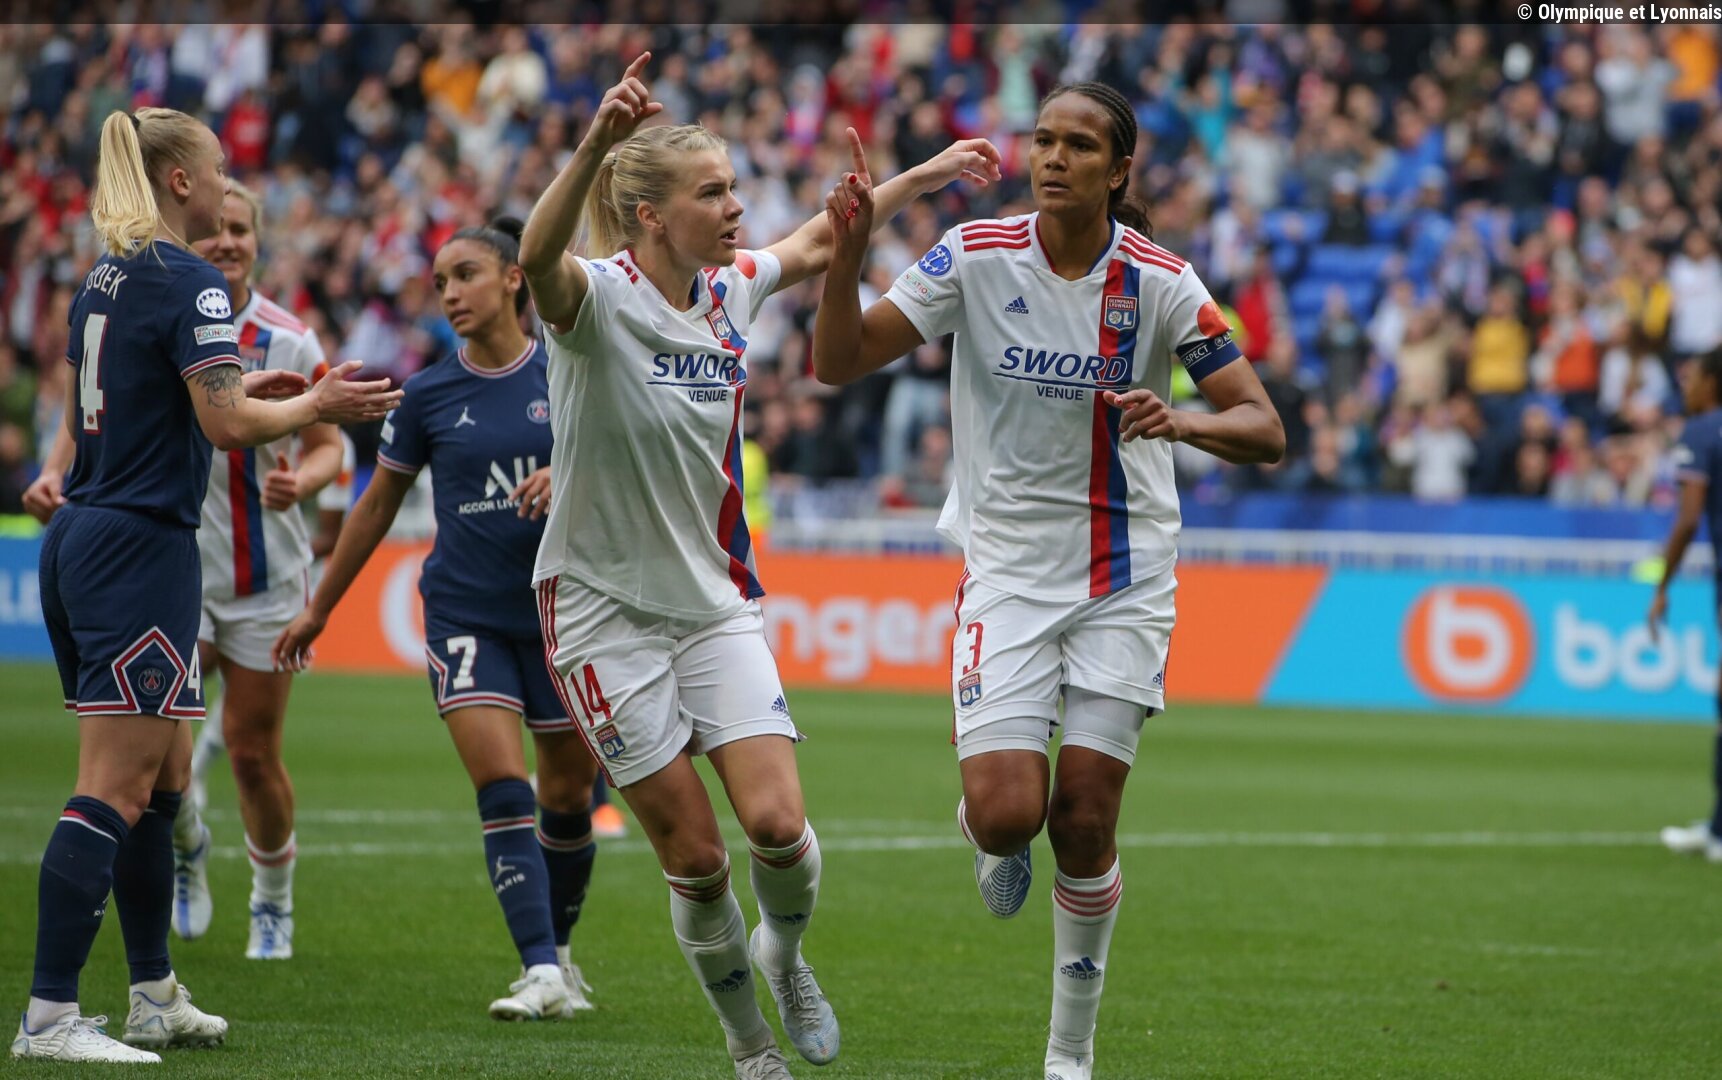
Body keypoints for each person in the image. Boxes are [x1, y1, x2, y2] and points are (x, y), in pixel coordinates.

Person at [515, 54, 998, 1080]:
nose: (736, 207)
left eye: (734, 187)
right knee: (696, 859)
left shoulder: (732, 288)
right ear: (650, 216)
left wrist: (926, 175)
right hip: (599, 615)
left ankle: (782, 953)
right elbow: (536, 253)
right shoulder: (593, 301)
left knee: (779, 827)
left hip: (711, 603)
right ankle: (749, 1050)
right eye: (713, 193)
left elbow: (826, 235)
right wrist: (595, 141)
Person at [810, 82, 1285, 1080]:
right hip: (1009, 570)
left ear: (1119, 171)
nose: (1053, 157)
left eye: (1078, 145)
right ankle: (990, 829)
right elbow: (839, 360)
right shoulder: (975, 256)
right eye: (1043, 140)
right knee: (1007, 815)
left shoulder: (1162, 282)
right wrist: (847, 252)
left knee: (1085, 819)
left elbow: (1264, 426)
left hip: (1124, 573)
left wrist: (1183, 420)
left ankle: (1070, 1053)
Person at [13, 107, 398, 1064]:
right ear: (181, 181)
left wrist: (242, 391)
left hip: (87, 535)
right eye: (219, 169)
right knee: (113, 787)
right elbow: (225, 428)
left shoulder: (102, 273)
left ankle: (153, 995)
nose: (229, 185)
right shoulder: (189, 279)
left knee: (161, 784)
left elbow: (150, 399)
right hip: (140, 548)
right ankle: (50, 1017)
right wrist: (318, 404)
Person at [273, 218, 603, 1021]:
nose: (450, 293)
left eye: (466, 274)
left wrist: (572, 474)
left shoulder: (573, 371)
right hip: (465, 615)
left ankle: (560, 955)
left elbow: (632, 465)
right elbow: (374, 508)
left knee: (568, 795)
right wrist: (319, 608)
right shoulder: (427, 395)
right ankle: (538, 968)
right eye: (441, 281)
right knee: (502, 786)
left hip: (565, 616)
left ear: (516, 278)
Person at [165, 180, 342, 959]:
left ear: (257, 242)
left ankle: (273, 901)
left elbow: (331, 446)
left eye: (242, 230)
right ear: (191, 236)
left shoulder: (290, 339)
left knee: (251, 752)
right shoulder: (165, 319)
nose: (229, 242)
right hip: (179, 570)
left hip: (267, 578)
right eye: (217, 229)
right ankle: (187, 844)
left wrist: (303, 482)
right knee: (162, 747)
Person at [1648, 349, 1722, 863]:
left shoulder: (1700, 431)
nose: (1687, 387)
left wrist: (1662, 583)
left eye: (1693, 378)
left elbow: (1688, 519)